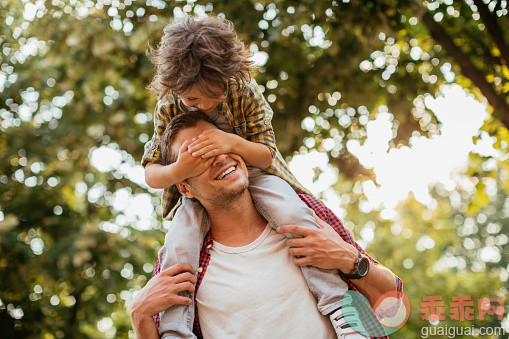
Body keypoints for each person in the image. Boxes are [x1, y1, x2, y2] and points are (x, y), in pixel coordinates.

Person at [142, 15, 370, 338]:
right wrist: (182, 168)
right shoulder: (168, 105)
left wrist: (229, 142)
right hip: (194, 188)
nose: (203, 106)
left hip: (255, 171)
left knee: (294, 215)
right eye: (192, 101)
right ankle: (175, 330)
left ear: (229, 76)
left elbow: (265, 153)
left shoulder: (244, 90)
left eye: (214, 95)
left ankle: (339, 307)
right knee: (178, 245)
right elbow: (151, 173)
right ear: (174, 88)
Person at [131, 112, 403, 338]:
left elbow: (396, 310)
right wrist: (140, 315)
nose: (218, 157)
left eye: (219, 144)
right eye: (197, 156)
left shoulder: (305, 216)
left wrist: (349, 259)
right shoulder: (182, 261)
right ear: (184, 187)